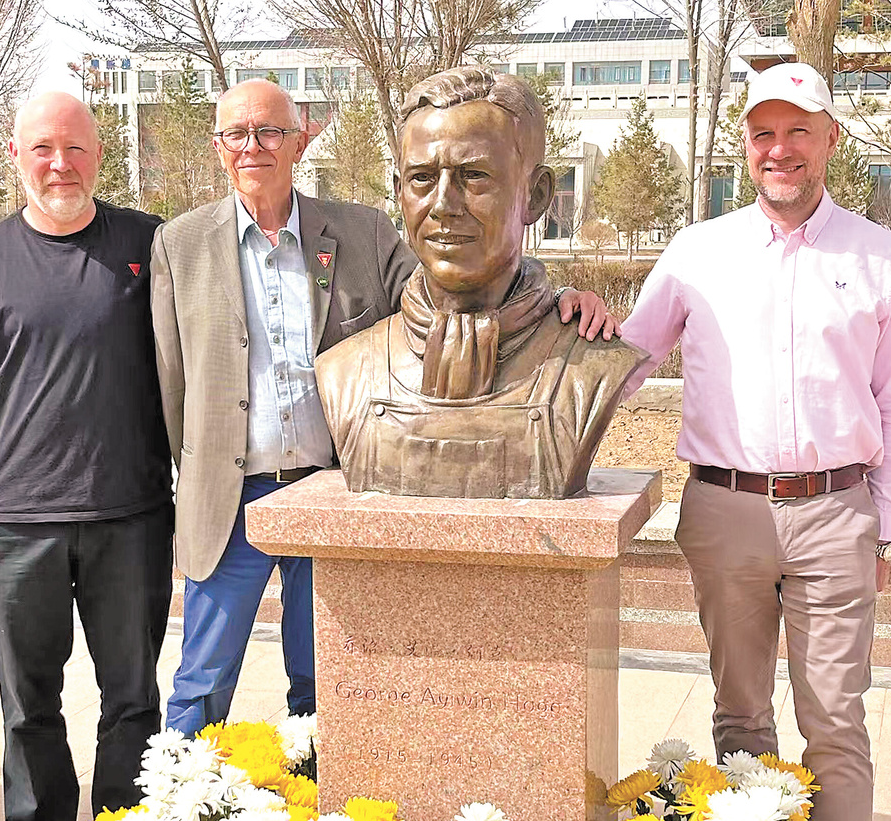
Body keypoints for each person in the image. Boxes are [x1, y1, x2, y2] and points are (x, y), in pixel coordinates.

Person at [151, 78, 617, 736]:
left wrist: (558, 297)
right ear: (218, 147)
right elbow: (168, 383)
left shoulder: (356, 233)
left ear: (299, 141)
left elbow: (445, 282)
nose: (252, 146)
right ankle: (180, 811)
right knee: (202, 681)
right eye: (236, 134)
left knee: (328, 681)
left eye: (270, 132)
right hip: (229, 500)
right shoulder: (181, 243)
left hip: (332, 487)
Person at [621, 62, 891, 821]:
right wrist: (569, 332)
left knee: (835, 724)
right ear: (744, 147)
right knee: (740, 717)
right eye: (760, 135)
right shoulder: (697, 250)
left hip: (836, 509)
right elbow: (623, 360)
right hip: (725, 508)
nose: (777, 151)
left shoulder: (880, 257)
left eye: (796, 132)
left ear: (829, 139)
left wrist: (887, 531)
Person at [0, 93, 172, 821]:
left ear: (98, 154)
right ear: (16, 154)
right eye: (43, 149)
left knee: (131, 696)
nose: (59, 165)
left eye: (75, 149)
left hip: (132, 514)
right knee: (27, 699)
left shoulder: (147, 244)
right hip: (19, 522)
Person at [317, 67, 647, 498]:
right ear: (399, 192)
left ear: (537, 195)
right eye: (422, 178)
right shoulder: (345, 370)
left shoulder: (594, 367)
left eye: (473, 176)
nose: (443, 205)